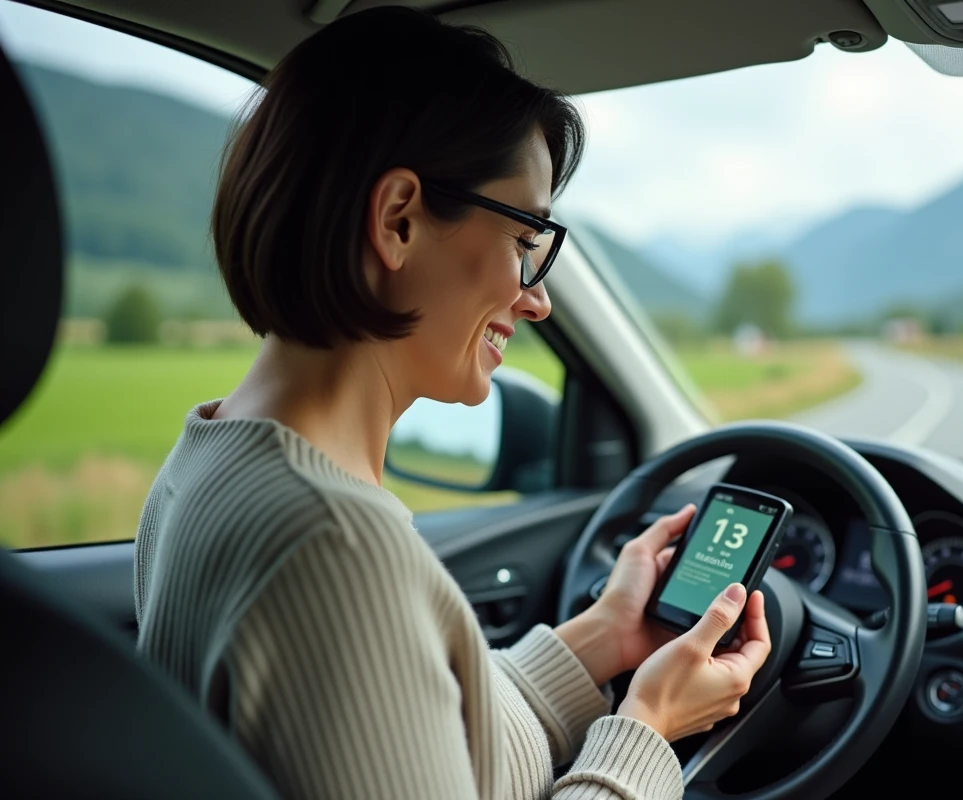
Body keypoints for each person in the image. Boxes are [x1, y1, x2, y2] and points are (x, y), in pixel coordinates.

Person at [133, 6, 770, 799]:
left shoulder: (211, 461)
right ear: (398, 219)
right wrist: (644, 734)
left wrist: (604, 638)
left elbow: (417, 740)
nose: (537, 301)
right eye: (521, 243)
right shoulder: (337, 547)